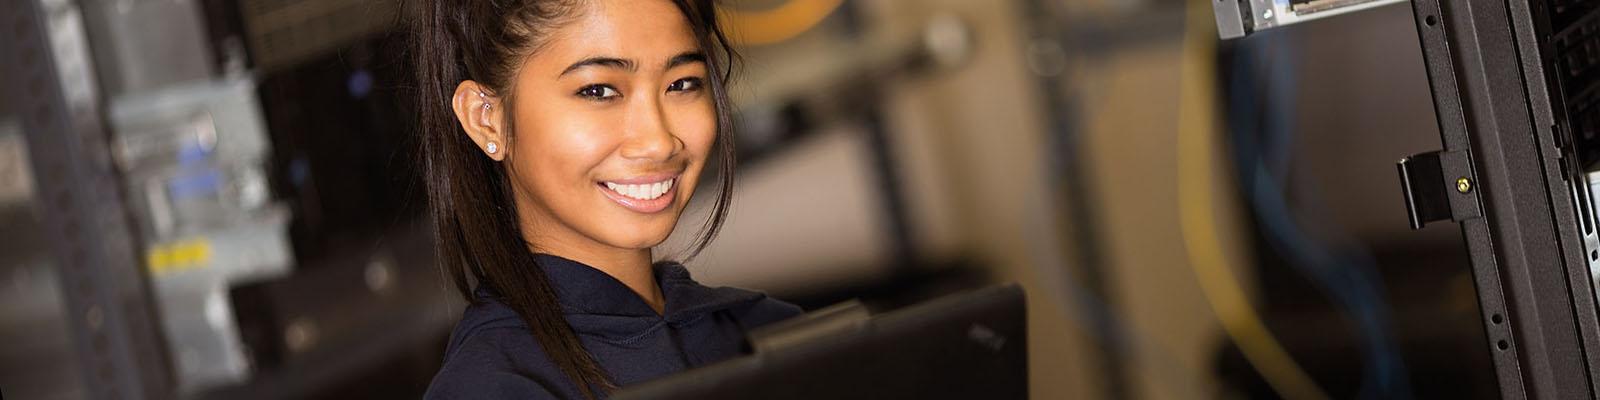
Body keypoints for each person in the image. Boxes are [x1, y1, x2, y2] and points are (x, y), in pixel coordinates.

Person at [409, 1, 802, 398]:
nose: (658, 142)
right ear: (485, 117)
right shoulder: (493, 388)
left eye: (682, 83)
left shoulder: (770, 334)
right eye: (599, 91)